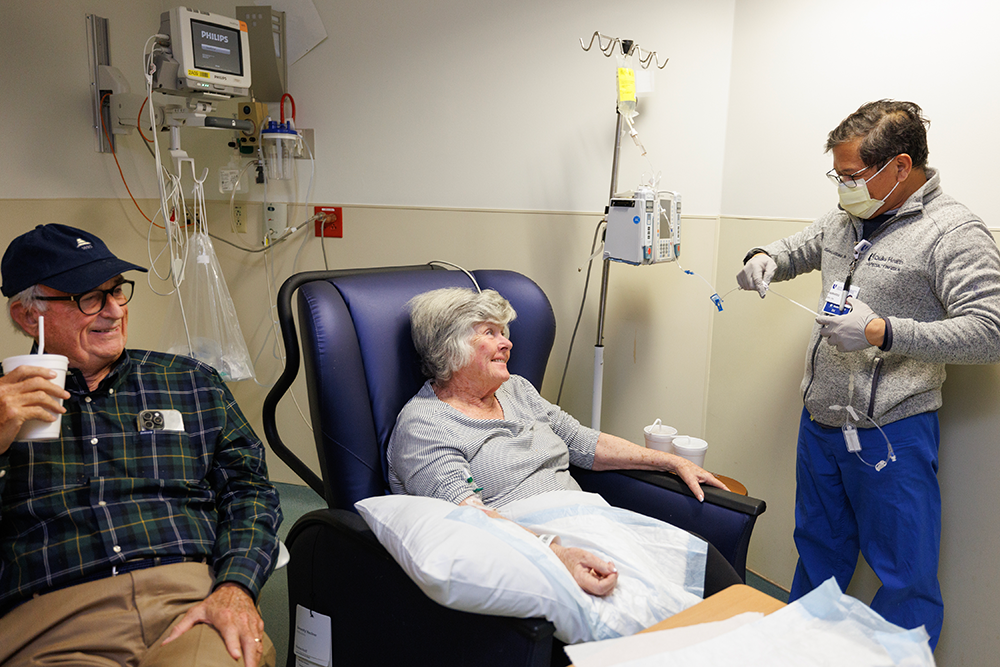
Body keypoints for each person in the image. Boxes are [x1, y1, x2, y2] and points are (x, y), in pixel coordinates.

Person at [736, 100, 1000, 649]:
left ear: (900, 167)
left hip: (892, 435)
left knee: (905, 581)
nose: (843, 186)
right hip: (822, 424)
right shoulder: (849, 215)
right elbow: (803, 247)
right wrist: (766, 256)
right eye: (837, 174)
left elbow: (990, 332)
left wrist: (884, 331)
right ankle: (801, 657)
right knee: (816, 560)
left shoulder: (953, 232)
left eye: (852, 175)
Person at [0, 224, 282, 667]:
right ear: (25, 315)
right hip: (53, 624)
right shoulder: (1, 403)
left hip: (192, 605)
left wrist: (235, 588)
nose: (113, 311)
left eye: (116, 291)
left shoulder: (188, 381)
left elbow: (250, 493)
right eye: (88, 298)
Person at [387, 286, 740, 599]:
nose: (507, 342)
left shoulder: (516, 389)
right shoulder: (425, 425)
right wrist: (557, 553)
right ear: (450, 348)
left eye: (504, 331)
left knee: (700, 564)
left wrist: (671, 461)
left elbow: (581, 441)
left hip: (588, 520)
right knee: (649, 605)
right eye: (490, 333)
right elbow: (470, 518)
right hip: (528, 546)